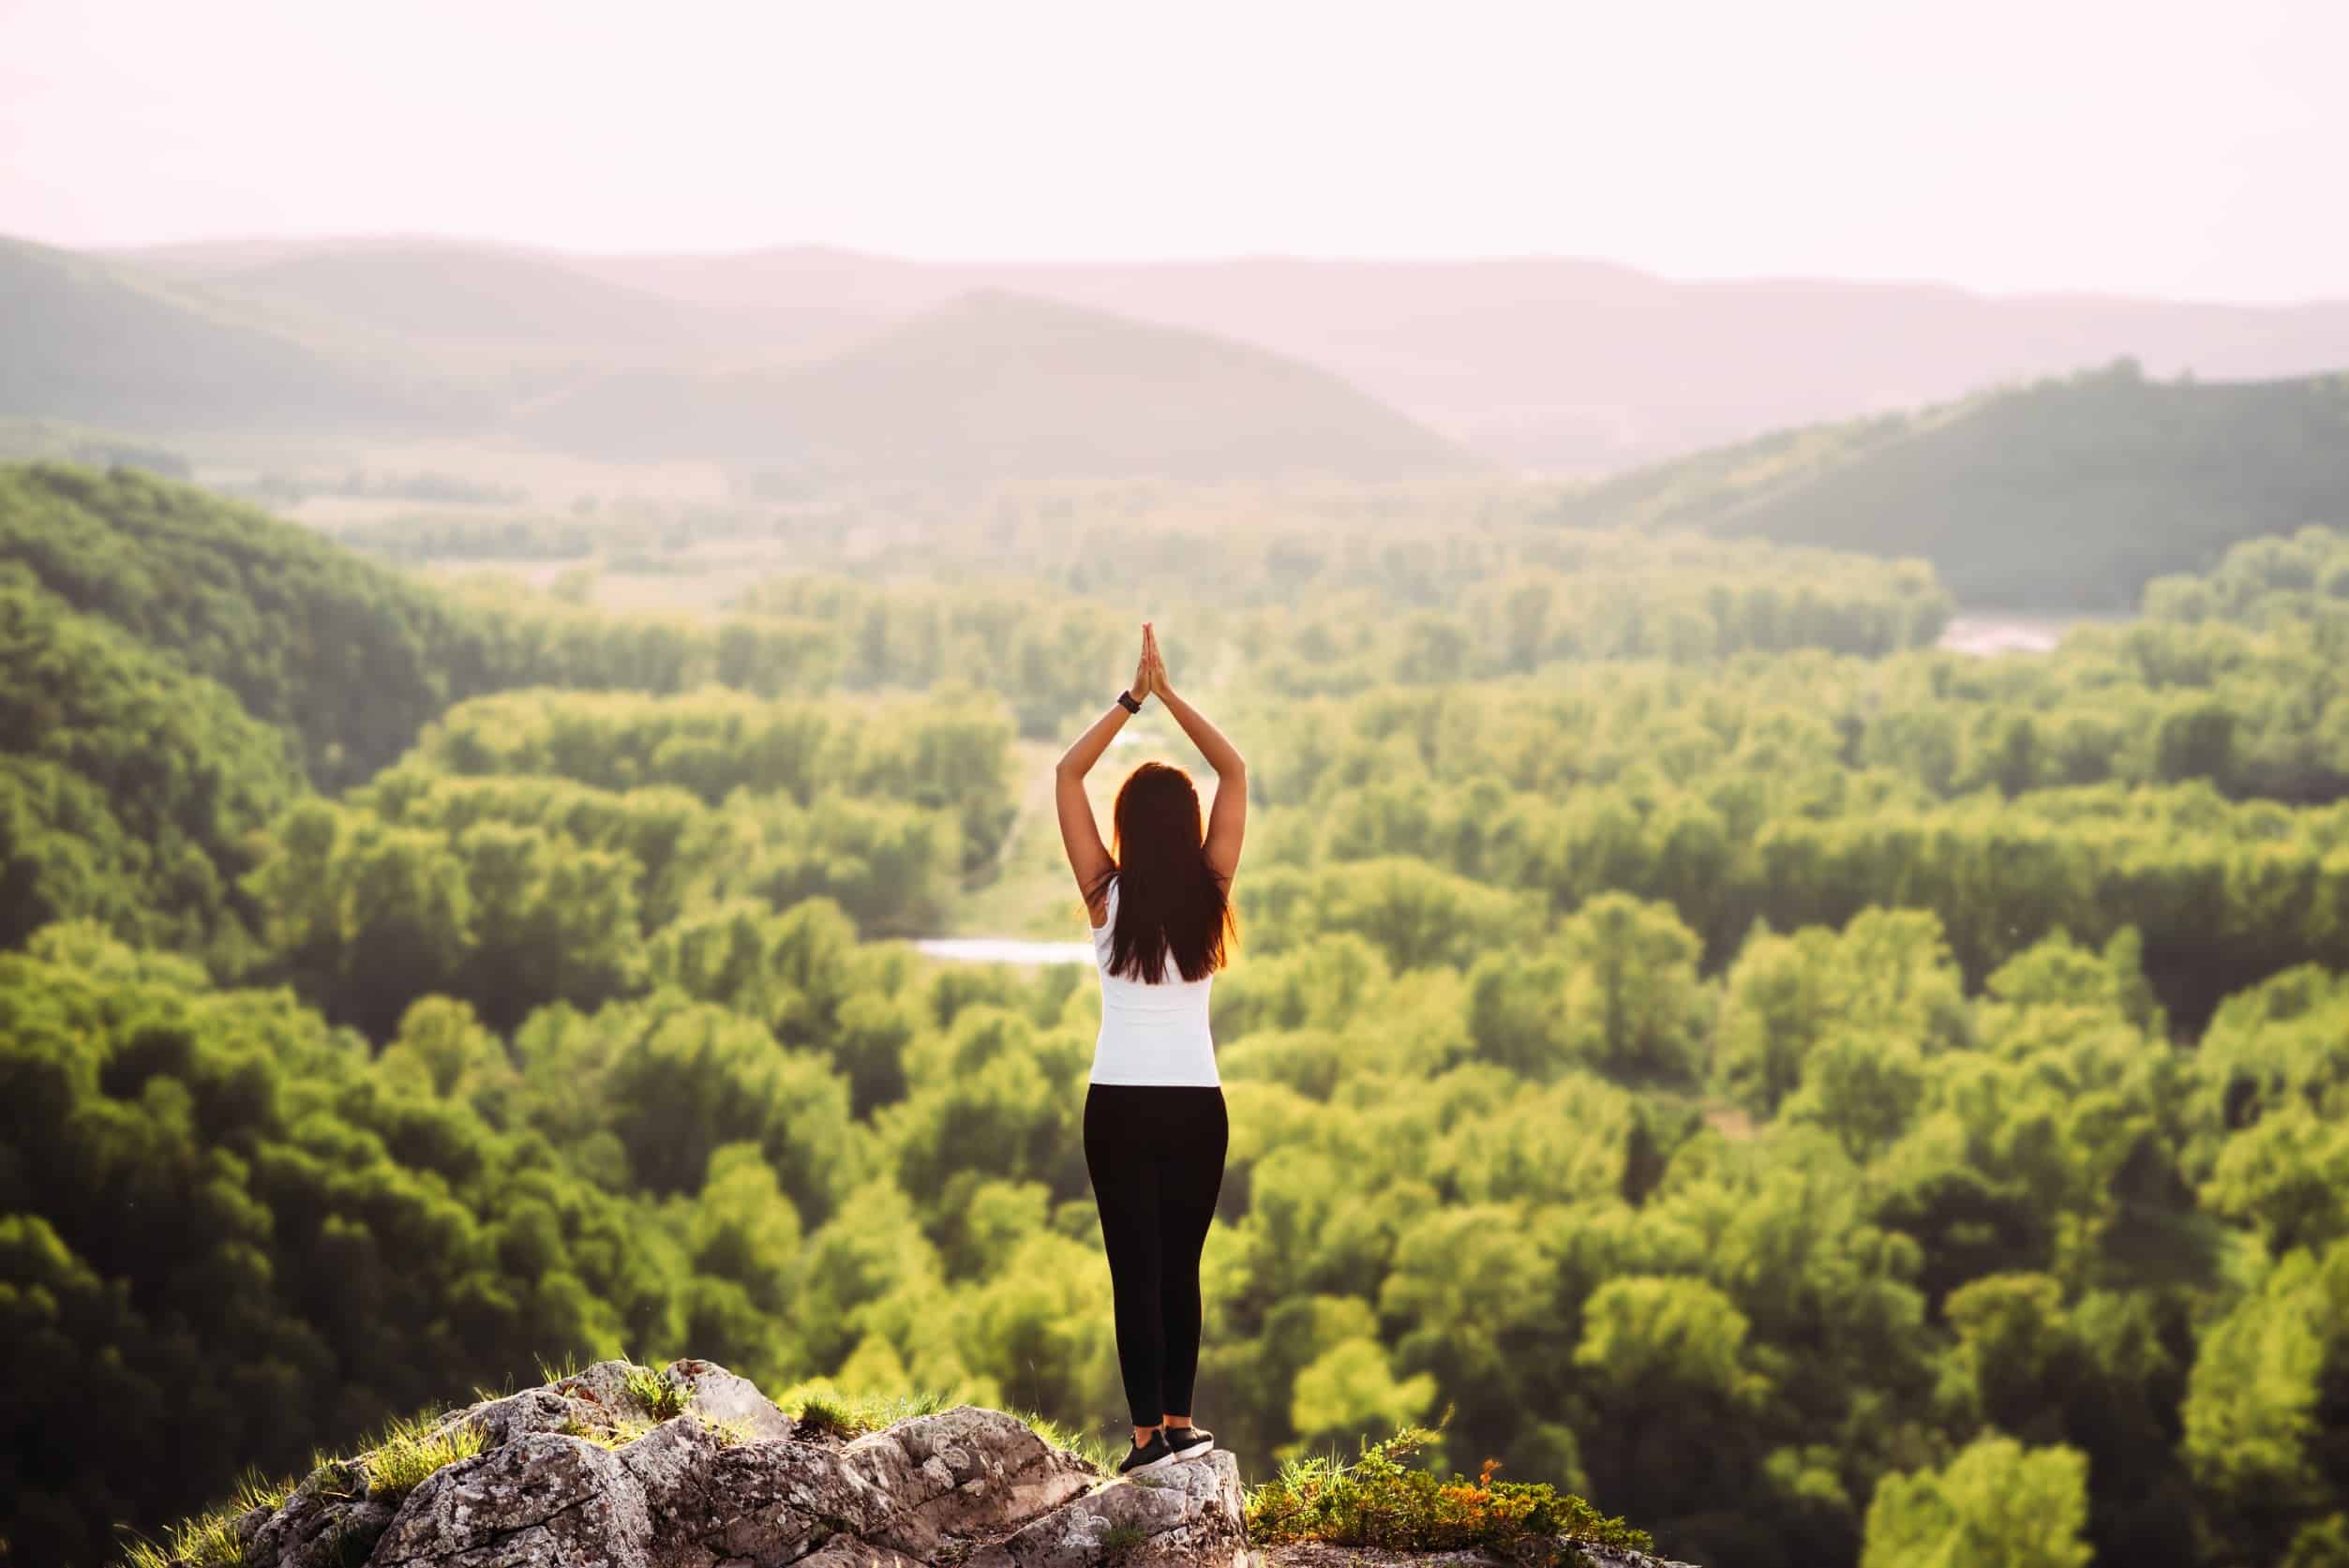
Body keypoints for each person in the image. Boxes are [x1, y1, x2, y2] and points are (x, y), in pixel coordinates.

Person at [1055, 621, 1246, 1474]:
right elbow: (1236, 770)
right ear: (1192, 825)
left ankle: (1142, 1441)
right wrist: (1171, 698)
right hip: (1196, 1104)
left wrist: (1132, 700)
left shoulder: (1106, 898)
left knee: (1133, 1267)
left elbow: (1065, 774)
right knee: (1181, 1266)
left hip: (1118, 1102)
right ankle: (1179, 1422)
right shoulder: (1211, 895)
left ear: (1129, 826)